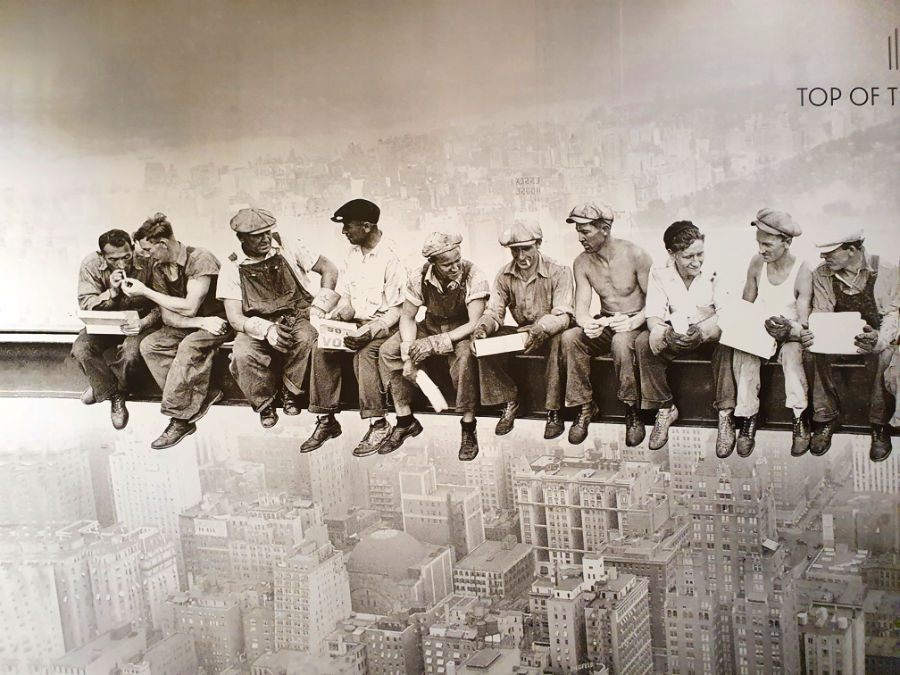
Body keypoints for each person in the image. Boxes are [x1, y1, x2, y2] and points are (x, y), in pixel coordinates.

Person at [216, 207, 339, 430]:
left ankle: (291, 391)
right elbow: (234, 317)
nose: (265, 239)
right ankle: (264, 403)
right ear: (241, 238)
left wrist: (320, 307)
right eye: (257, 236)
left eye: (267, 233)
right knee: (242, 355)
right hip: (256, 323)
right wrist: (266, 330)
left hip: (296, 315)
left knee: (307, 338)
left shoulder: (287, 245)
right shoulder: (232, 265)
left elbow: (329, 269)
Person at [302, 199, 406, 456]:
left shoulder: (393, 257)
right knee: (321, 348)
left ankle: (378, 423)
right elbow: (347, 298)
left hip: (385, 326)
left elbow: (398, 309)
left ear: (367, 226)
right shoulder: (352, 255)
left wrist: (371, 330)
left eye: (348, 227)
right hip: (357, 324)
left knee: (365, 355)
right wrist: (337, 318)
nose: (344, 232)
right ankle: (326, 419)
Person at [123, 213, 233, 449]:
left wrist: (145, 291)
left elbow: (190, 306)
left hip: (221, 322)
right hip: (199, 324)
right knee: (150, 345)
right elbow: (168, 315)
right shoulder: (159, 266)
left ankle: (180, 419)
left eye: (148, 249)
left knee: (189, 346)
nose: (145, 255)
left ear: (162, 244)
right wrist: (199, 323)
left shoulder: (200, 258)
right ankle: (203, 394)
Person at [378, 231, 489, 460]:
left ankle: (468, 425)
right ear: (433, 263)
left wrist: (435, 343)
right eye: (447, 264)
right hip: (431, 325)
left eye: (457, 260)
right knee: (388, 351)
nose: (455, 267)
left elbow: (473, 322)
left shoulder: (474, 274)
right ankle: (405, 419)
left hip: (461, 330)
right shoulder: (419, 276)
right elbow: (407, 317)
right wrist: (408, 355)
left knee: (466, 357)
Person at [635, 221, 738, 457]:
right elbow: (653, 314)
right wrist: (664, 333)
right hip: (678, 334)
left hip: (710, 334)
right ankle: (665, 407)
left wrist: (702, 333)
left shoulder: (717, 269)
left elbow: (727, 313)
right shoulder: (659, 272)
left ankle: (725, 415)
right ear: (672, 254)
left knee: (727, 345)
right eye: (687, 256)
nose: (695, 262)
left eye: (700, 254)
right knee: (643, 343)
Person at [560, 202, 652, 446]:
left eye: (585, 231)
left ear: (605, 229)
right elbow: (581, 306)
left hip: (636, 321)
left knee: (622, 342)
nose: (580, 238)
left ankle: (632, 410)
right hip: (607, 320)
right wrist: (587, 323)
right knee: (570, 338)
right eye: (578, 231)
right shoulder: (582, 262)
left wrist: (633, 321)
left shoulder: (636, 255)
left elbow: (655, 303)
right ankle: (585, 405)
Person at [472, 221, 573, 438]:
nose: (520, 256)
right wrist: (482, 328)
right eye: (515, 250)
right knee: (484, 346)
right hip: (523, 332)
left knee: (558, 344)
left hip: (550, 330)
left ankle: (553, 410)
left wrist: (541, 329)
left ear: (538, 244)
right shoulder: (504, 275)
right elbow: (494, 312)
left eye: (526, 248)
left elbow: (563, 314)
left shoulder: (559, 271)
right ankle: (511, 399)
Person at [805, 231, 898, 462]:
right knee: (812, 350)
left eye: (830, 252)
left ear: (852, 250)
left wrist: (879, 339)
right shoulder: (822, 273)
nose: (823, 256)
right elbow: (822, 313)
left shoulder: (885, 269)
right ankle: (825, 417)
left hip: (875, 336)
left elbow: (892, 314)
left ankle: (879, 425)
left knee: (886, 355)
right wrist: (820, 334)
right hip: (839, 334)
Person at [730, 209, 813, 457]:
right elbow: (747, 305)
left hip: (790, 332)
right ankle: (748, 417)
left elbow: (804, 318)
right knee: (744, 352)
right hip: (762, 329)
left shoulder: (802, 270)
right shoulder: (757, 264)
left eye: (767, 244)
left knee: (792, 355)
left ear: (786, 243)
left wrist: (791, 329)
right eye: (758, 243)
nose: (761, 249)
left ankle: (799, 417)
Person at [72, 228, 159, 429]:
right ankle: (114, 393)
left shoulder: (148, 260)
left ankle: (104, 388)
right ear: (102, 256)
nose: (122, 264)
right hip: (105, 323)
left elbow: (160, 304)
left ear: (133, 249)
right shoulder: (91, 264)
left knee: (131, 354)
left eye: (127, 257)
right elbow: (86, 303)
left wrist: (143, 323)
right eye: (113, 260)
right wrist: (111, 293)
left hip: (140, 323)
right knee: (81, 349)